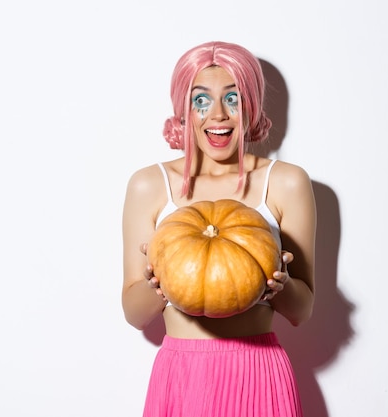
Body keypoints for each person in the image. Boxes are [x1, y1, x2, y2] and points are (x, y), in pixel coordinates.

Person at [121, 41, 316, 417]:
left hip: (258, 372)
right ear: (183, 111)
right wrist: (158, 281)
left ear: (252, 106)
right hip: (182, 376)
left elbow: (302, 309)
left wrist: (279, 285)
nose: (219, 115)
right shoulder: (149, 185)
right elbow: (133, 312)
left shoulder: (286, 183)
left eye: (234, 99)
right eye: (201, 101)